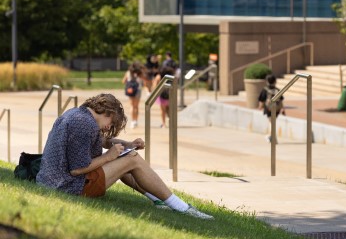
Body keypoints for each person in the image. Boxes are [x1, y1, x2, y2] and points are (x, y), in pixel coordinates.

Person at [36, 93, 213, 219]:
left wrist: (127, 145)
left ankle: (159, 200)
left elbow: (104, 141)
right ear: (108, 113)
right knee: (132, 159)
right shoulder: (83, 125)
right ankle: (181, 208)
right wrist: (109, 157)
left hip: (53, 181)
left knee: (128, 157)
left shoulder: (80, 115)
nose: (108, 128)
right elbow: (77, 170)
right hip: (68, 186)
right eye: (111, 123)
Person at [258, 74, 285, 141]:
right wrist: (282, 109)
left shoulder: (265, 90)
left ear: (267, 81)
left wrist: (260, 107)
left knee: (271, 122)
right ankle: (273, 137)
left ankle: (270, 136)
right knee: (273, 121)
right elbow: (281, 100)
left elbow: (261, 99)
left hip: (268, 108)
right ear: (275, 81)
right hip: (277, 109)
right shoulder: (277, 90)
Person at [122, 61, 143, 128]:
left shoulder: (128, 73)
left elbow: (123, 81)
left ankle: (132, 121)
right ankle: (135, 121)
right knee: (136, 106)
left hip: (130, 90)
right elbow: (144, 81)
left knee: (132, 106)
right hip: (138, 90)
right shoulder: (140, 73)